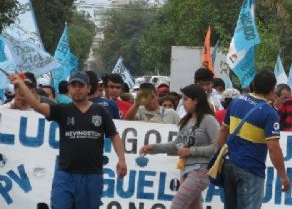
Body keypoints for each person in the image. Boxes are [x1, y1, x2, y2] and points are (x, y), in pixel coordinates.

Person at [7, 71, 127, 209]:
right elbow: (37, 106)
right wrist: (21, 84)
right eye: (73, 85)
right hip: (65, 175)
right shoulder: (62, 110)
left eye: (81, 85)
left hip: (92, 176)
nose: (77, 88)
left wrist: (122, 159)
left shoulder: (99, 111)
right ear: (68, 89)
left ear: (88, 88)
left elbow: (114, 135)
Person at [216, 70, 289, 209]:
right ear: (273, 89)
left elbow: (223, 130)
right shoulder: (270, 113)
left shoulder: (236, 102)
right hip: (251, 169)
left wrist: (218, 156)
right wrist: (283, 176)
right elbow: (273, 148)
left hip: (228, 165)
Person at [140, 84, 220, 209]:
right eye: (182, 99)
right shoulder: (186, 121)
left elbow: (217, 147)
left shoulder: (209, 120)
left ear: (196, 100)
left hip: (201, 170)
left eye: (186, 99)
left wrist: (191, 151)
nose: (183, 103)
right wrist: (154, 148)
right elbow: (176, 145)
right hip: (186, 171)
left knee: (177, 205)